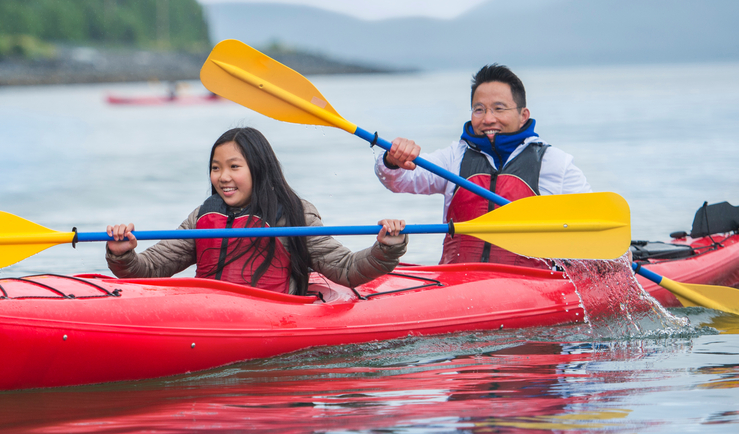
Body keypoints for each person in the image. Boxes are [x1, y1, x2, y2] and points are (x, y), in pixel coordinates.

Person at [106, 127, 408, 295]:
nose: (222, 177)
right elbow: (150, 268)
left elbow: (345, 269)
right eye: (215, 168)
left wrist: (386, 248)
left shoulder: (294, 214)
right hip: (204, 313)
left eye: (234, 167)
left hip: (274, 317)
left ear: (258, 169)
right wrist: (123, 254)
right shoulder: (203, 217)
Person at [375, 63, 589, 266]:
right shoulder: (454, 157)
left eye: (499, 108)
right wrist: (393, 160)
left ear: (523, 115)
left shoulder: (555, 164)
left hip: (531, 287)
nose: (488, 119)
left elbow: (589, 227)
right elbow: (401, 181)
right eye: (479, 110)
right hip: (458, 283)